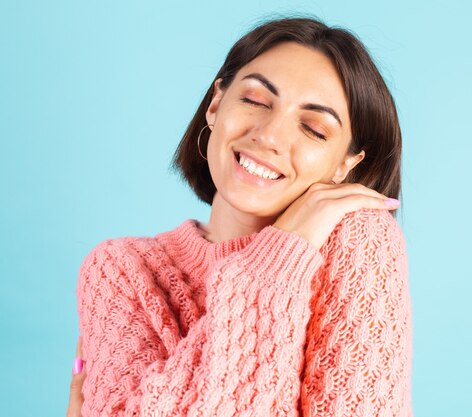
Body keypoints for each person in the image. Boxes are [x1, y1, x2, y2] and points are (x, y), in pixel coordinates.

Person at [67, 15, 413, 417]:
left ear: (345, 165)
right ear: (216, 104)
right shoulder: (121, 269)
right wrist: (275, 262)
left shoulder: (360, 239)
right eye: (255, 101)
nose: (268, 136)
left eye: (314, 129)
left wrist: (282, 259)